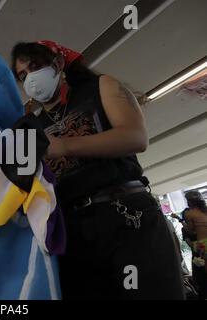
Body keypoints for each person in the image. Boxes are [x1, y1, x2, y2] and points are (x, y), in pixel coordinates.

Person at [10, 40, 184, 299]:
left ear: (58, 63)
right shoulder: (32, 125)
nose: (30, 79)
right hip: (73, 232)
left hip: (126, 216)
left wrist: (65, 146)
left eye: (35, 67)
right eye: (22, 76)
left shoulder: (100, 87)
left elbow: (135, 137)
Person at [183, 190, 207, 300]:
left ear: (190, 201)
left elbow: (191, 231)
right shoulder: (205, 210)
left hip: (201, 244)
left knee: (203, 272)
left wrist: (183, 224)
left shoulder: (189, 213)